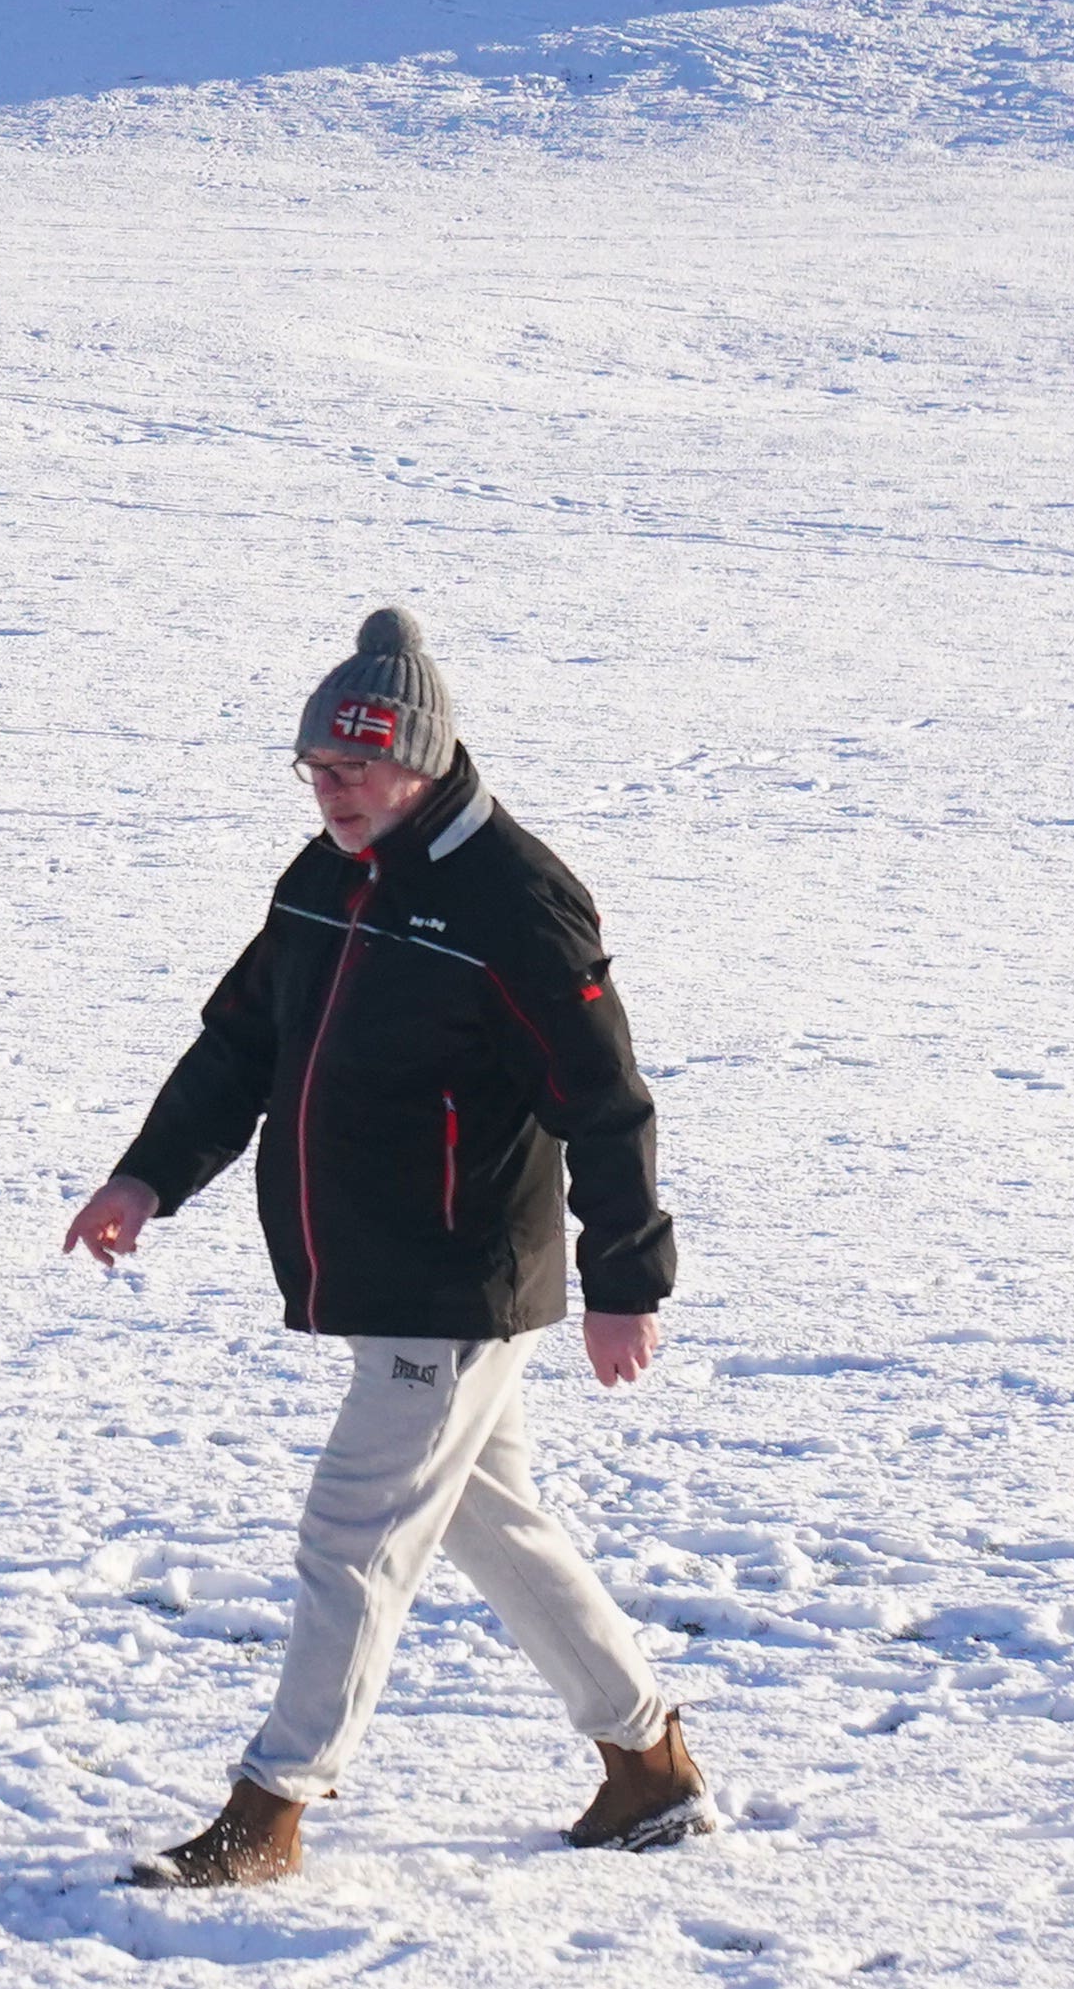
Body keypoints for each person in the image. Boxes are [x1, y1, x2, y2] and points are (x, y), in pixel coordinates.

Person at [62, 607, 706, 1889]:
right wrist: (148, 1173)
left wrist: (624, 1279)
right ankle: (648, 1767)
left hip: (460, 1282)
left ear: (419, 758)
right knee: (491, 1522)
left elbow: (608, 1098)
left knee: (351, 1535)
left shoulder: (516, 901)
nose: (332, 793)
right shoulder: (327, 876)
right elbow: (243, 1042)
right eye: (315, 770)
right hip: (378, 1271)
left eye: (354, 770)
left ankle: (272, 1809)